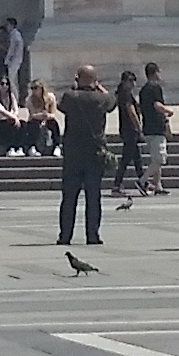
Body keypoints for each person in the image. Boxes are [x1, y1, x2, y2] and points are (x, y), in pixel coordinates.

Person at [52, 57, 110, 247]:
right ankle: (92, 235)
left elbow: (60, 106)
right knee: (94, 197)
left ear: (78, 79)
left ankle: (65, 235)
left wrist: (76, 86)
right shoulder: (101, 98)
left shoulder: (71, 96)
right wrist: (98, 87)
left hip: (73, 154)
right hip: (94, 154)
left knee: (69, 198)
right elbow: (112, 102)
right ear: (94, 80)